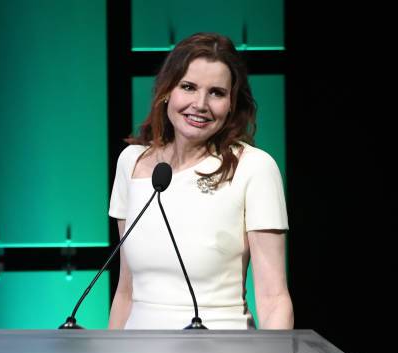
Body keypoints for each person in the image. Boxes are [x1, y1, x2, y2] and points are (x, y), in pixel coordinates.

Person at [108, 32, 293, 330]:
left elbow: (274, 298)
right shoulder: (132, 163)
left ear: (232, 103)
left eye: (217, 93)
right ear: (167, 91)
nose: (200, 104)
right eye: (188, 87)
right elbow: (126, 293)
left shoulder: (255, 168)